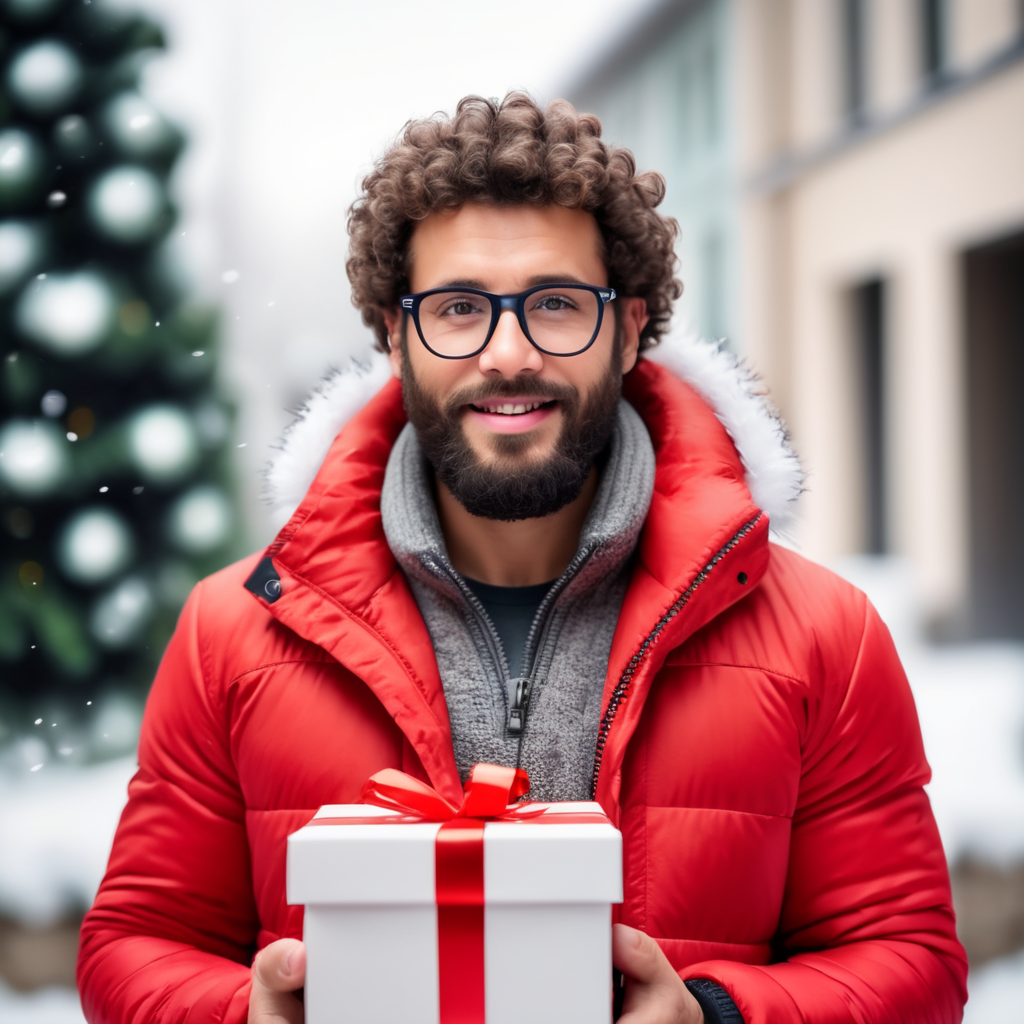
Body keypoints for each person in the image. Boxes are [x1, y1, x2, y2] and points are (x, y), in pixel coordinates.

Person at [77, 93, 968, 1024]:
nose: (508, 354)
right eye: (459, 308)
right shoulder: (231, 634)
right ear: (395, 333)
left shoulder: (825, 638)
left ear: (627, 329)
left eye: (554, 305)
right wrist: (242, 1014)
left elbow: (913, 962)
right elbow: (131, 945)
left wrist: (717, 1016)